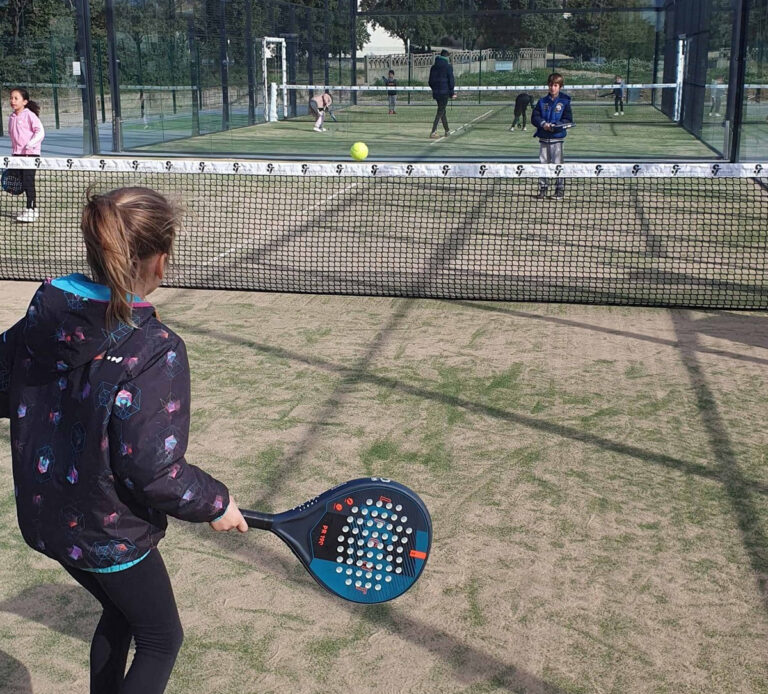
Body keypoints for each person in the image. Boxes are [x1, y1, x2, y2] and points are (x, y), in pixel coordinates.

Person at [0, 186, 248, 694]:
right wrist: (216, 502)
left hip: (48, 519)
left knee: (120, 611)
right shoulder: (155, 349)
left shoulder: (43, 317)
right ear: (160, 262)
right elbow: (153, 472)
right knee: (160, 637)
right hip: (108, 532)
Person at [531, 72, 573, 200]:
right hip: (543, 138)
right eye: (550, 85)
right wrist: (543, 124)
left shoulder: (565, 102)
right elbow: (535, 117)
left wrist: (555, 126)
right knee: (543, 163)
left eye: (555, 85)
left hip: (557, 139)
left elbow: (568, 120)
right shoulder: (542, 101)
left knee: (558, 164)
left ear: (560, 86)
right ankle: (543, 189)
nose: (552, 88)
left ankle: (559, 190)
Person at [8, 87, 45, 223]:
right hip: (17, 156)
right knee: (22, 182)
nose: (12, 101)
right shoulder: (11, 117)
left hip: (30, 155)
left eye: (16, 98)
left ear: (24, 101)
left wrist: (30, 145)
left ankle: (31, 209)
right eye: (11, 98)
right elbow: (13, 137)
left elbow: (40, 132)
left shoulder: (30, 115)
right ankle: (31, 208)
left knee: (28, 182)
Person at [428, 49, 456, 139]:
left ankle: (447, 130)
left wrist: (435, 89)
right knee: (440, 111)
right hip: (444, 93)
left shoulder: (433, 67)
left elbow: (430, 82)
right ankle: (433, 131)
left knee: (442, 111)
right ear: (447, 57)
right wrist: (452, 93)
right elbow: (451, 81)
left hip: (436, 93)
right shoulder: (448, 67)